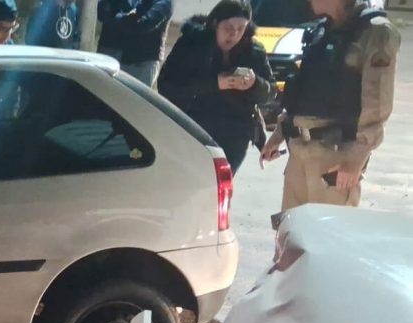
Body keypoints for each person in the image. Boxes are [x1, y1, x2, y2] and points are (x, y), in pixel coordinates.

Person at [260, 0, 400, 211]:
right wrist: (279, 134)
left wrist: (356, 159)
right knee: (291, 237)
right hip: (299, 153)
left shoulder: (375, 32)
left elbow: (377, 102)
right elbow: (303, 92)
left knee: (328, 238)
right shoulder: (321, 31)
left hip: (336, 157)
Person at [158, 0, 275, 173]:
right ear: (215, 23)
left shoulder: (254, 50)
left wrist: (254, 84)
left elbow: (271, 93)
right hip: (195, 129)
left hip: (236, 134)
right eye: (228, 27)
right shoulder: (191, 44)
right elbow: (167, 86)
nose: (234, 34)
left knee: (221, 187)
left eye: (241, 28)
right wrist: (214, 83)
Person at [97, 0, 173, 87]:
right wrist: (126, 18)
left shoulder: (163, 2)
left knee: (133, 99)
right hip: (111, 55)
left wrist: (117, 18)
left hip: (140, 64)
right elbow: (102, 12)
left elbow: (143, 24)